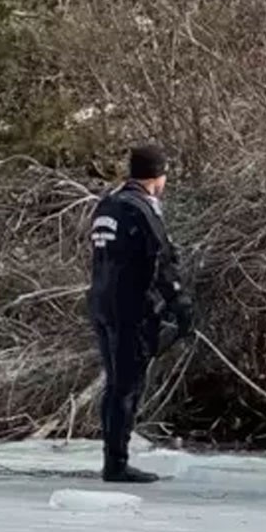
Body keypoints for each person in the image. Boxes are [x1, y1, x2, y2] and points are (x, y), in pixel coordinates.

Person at [86, 144, 194, 483]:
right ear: (157, 176)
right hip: (130, 308)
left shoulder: (108, 204)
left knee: (116, 384)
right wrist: (180, 305)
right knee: (127, 386)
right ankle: (116, 464)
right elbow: (162, 259)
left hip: (101, 304)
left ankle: (113, 458)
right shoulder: (142, 210)